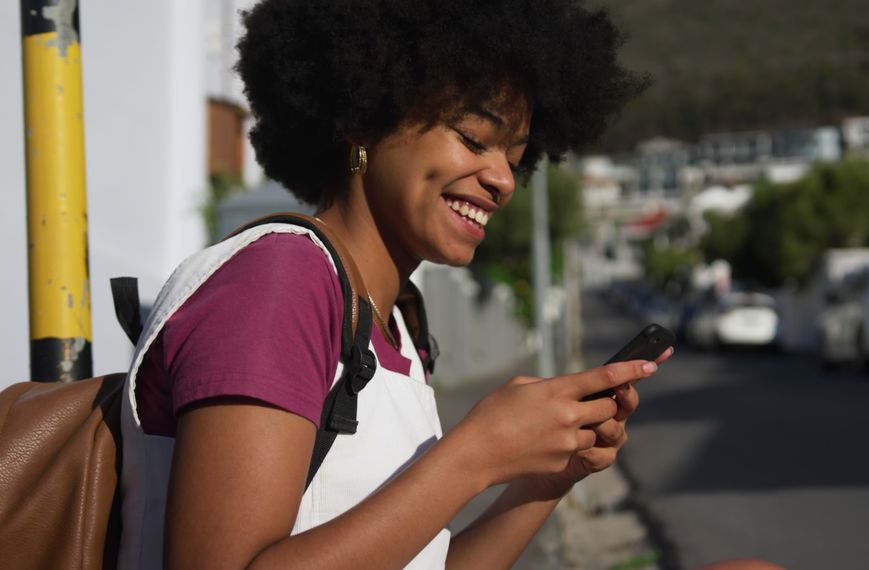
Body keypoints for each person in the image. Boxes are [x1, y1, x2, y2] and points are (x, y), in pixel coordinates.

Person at [117, 1, 665, 568]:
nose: (503, 179)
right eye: (475, 137)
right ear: (365, 117)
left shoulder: (396, 326)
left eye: (515, 154)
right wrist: (476, 453)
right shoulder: (278, 282)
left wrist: (552, 477)